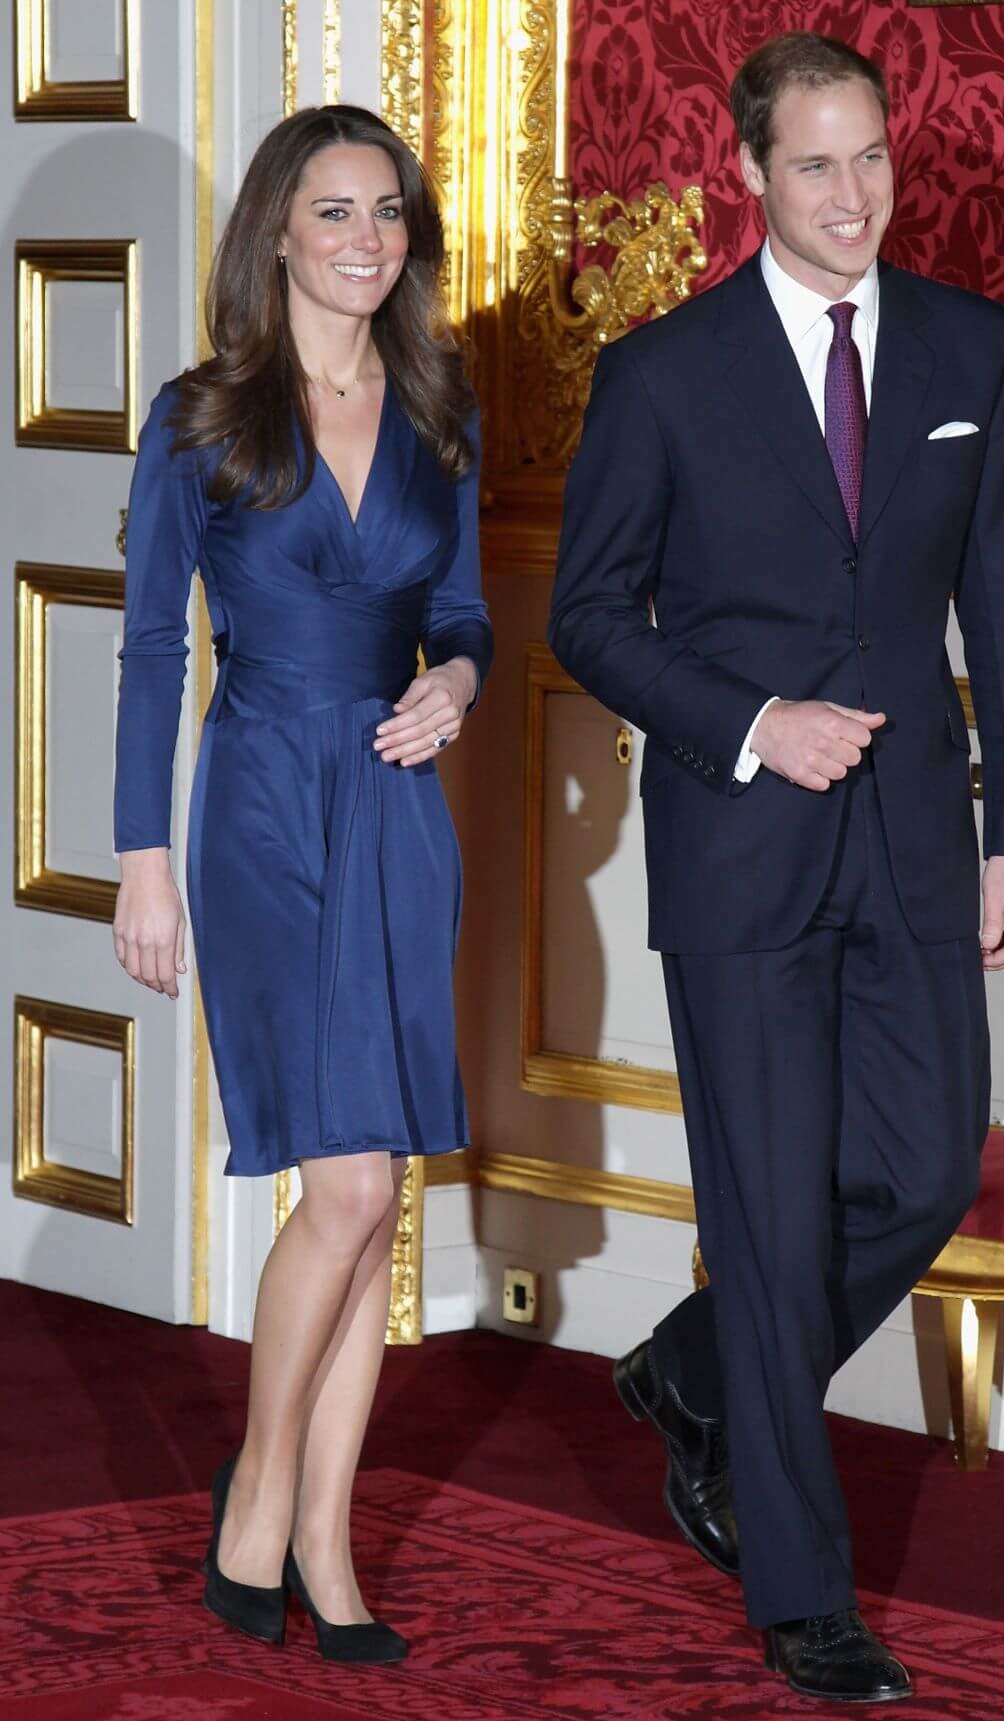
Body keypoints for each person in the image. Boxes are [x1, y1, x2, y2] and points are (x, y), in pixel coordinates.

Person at [550, 31, 1004, 1708]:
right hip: (743, 847)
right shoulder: (665, 375)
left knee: (922, 1170)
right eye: (817, 165)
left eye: (873, 159)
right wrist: (756, 719)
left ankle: (692, 1372)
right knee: (769, 1222)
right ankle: (802, 1592)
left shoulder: (971, 349)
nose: (854, 197)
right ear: (750, 176)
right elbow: (590, 620)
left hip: (917, 841)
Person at [112, 104, 491, 1666]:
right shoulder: (200, 419)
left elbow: (463, 608)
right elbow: (145, 648)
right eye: (335, 212)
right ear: (278, 228)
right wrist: (143, 856)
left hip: (401, 808)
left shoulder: (437, 402)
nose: (366, 239)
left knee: (379, 1187)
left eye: (388, 212)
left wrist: (459, 688)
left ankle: (323, 1538)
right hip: (263, 798)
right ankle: (259, 1489)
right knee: (337, 1183)